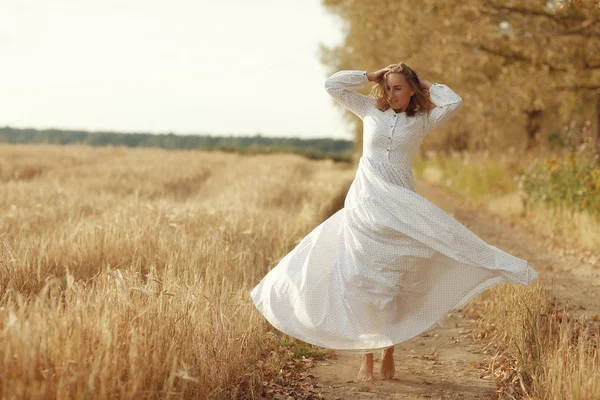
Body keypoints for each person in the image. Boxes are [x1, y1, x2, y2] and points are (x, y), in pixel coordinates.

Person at [250, 63, 538, 381]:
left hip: (401, 207)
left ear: (411, 89)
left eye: (398, 88)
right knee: (363, 278)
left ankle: (388, 351)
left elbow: (453, 101)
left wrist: (424, 82)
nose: (391, 94)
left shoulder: (422, 120)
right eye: (387, 88)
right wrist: (371, 77)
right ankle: (367, 358)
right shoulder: (368, 108)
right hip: (365, 205)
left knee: (393, 281)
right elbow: (333, 85)